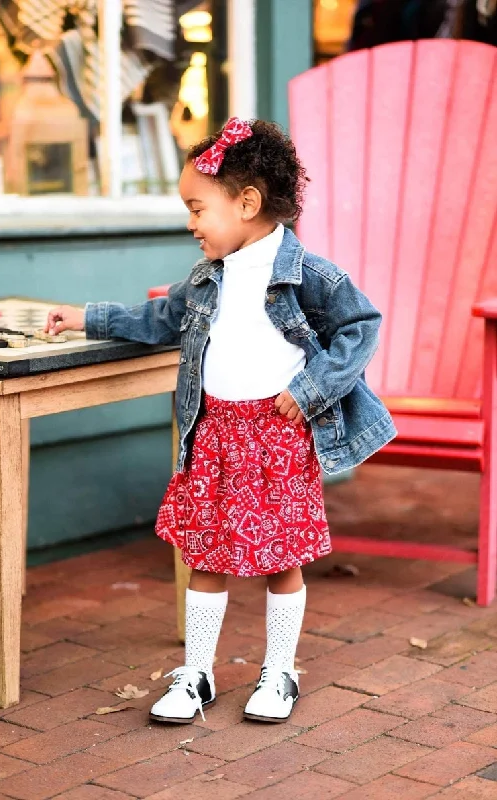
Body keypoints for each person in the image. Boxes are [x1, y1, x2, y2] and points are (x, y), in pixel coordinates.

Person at [44, 117, 396, 725]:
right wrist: (88, 318)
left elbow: (360, 327)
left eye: (197, 208)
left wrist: (311, 389)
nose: (190, 223)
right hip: (213, 435)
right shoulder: (208, 278)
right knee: (204, 556)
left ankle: (279, 672)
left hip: (279, 436)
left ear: (247, 203)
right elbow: (159, 322)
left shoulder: (309, 274)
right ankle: (198, 675)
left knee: (281, 559)